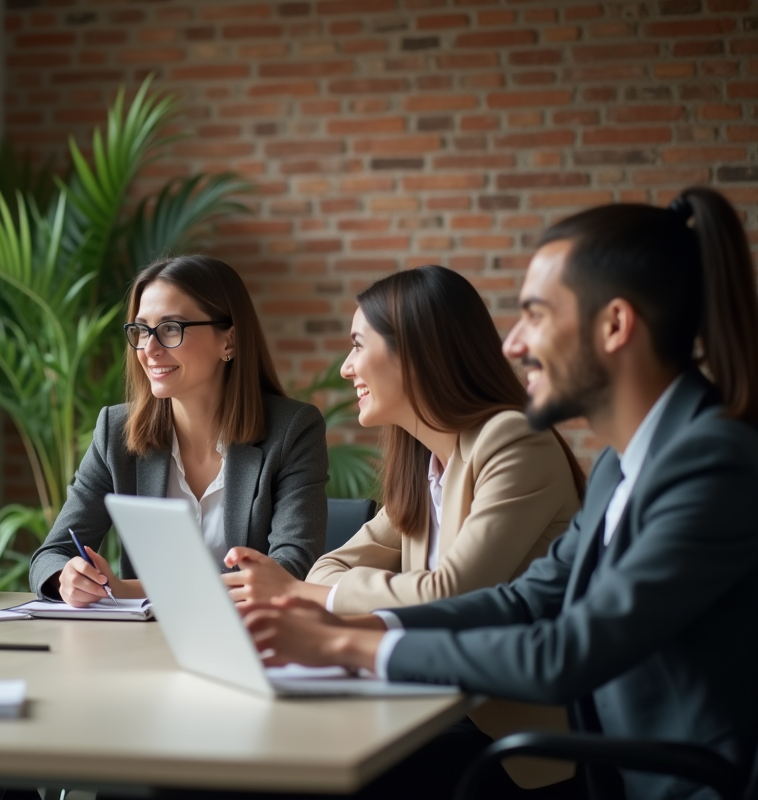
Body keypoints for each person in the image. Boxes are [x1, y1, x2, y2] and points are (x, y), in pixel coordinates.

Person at [245, 187, 758, 800]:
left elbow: (566, 652)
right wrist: (362, 624)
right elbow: (524, 600)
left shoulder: (714, 463)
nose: (514, 344)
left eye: (536, 315)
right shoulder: (619, 467)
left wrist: (345, 645)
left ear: (615, 325)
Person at [223, 265, 585, 791]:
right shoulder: (423, 461)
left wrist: (302, 593)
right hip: (421, 701)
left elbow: (453, 592)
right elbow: (330, 565)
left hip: (505, 736)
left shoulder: (514, 440)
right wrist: (326, 589)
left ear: (414, 353)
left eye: (357, 345)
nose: (346, 368)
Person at [28, 255, 328, 605]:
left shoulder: (292, 430)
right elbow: (50, 556)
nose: (149, 349)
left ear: (229, 341)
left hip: (252, 633)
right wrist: (67, 578)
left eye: (171, 328)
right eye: (142, 330)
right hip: (143, 635)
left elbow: (289, 570)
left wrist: (129, 589)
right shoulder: (116, 431)